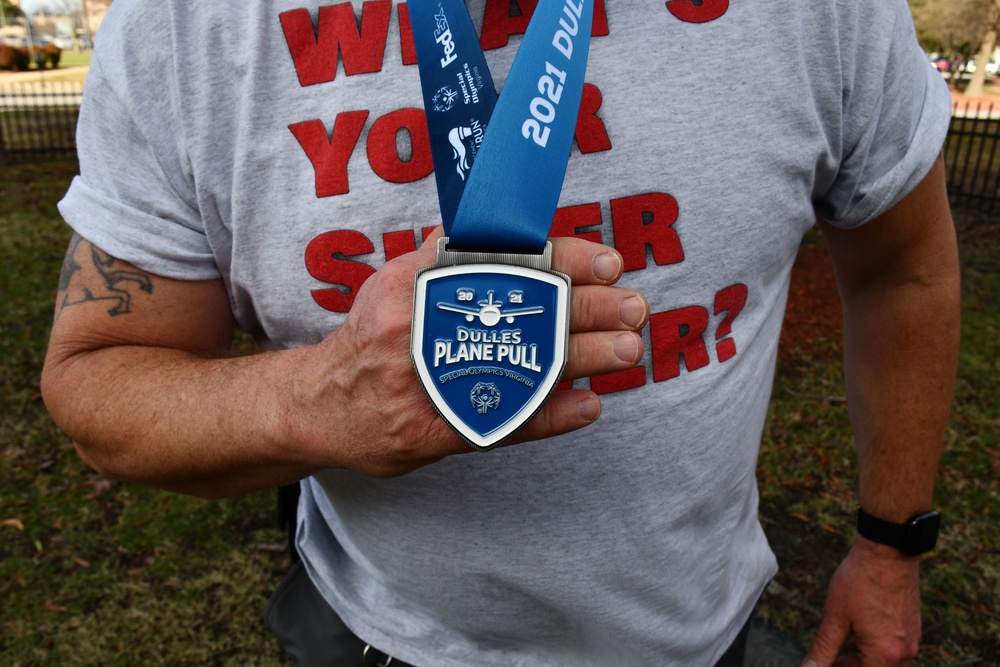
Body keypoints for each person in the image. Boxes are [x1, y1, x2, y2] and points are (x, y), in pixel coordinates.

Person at [41, 1, 960, 665]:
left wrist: (892, 545)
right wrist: (317, 397)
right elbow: (97, 379)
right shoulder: (187, 23)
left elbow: (904, 269)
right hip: (375, 639)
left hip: (701, 635)